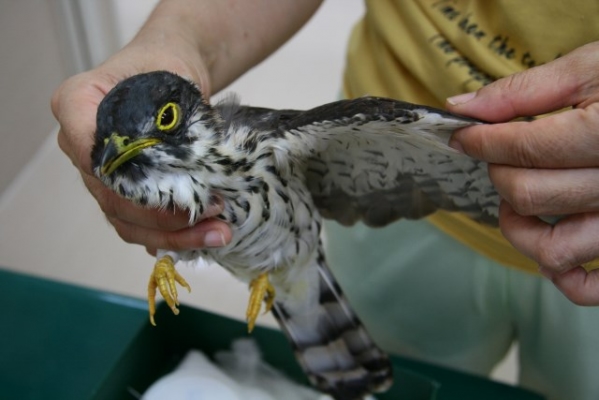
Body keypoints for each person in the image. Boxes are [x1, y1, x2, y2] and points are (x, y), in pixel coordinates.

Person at [51, 1, 599, 399]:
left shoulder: (259, 148)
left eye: (166, 121)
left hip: (588, 239)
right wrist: (175, 39)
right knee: (409, 375)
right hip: (411, 179)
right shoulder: (142, 166)